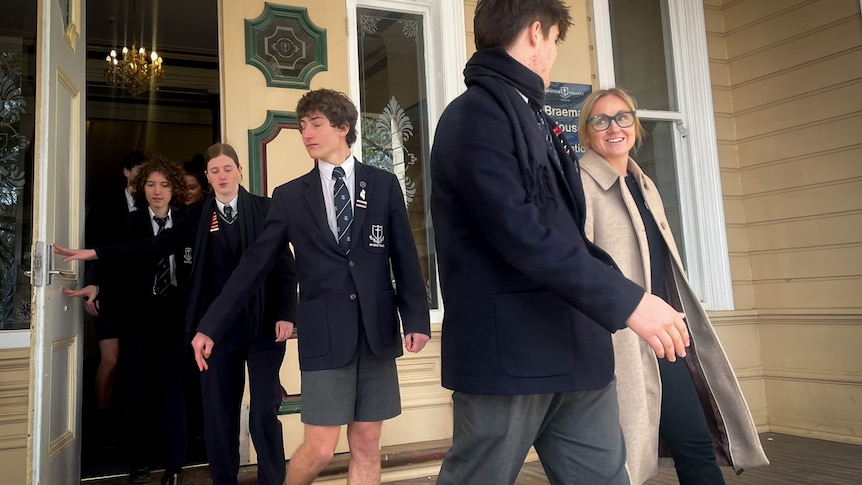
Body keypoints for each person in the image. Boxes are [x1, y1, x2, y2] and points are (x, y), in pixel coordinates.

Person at [428, 1, 690, 484]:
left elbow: (565, 234)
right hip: (511, 362)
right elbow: (520, 232)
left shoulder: (537, 116)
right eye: (554, 40)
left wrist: (622, 297)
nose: (553, 52)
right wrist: (627, 300)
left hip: (579, 354)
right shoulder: (473, 117)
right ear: (535, 33)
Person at [191, 88, 431, 485]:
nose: (306, 134)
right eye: (302, 126)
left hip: (377, 332)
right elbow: (252, 267)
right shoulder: (289, 197)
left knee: (368, 443)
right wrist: (210, 325)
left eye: (315, 124)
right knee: (320, 447)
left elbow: (404, 257)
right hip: (325, 336)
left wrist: (416, 318)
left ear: (343, 127)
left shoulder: (385, 185)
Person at [59, 144, 298, 485]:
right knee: (219, 416)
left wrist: (285, 313)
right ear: (207, 177)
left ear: (240, 170)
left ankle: (273, 481)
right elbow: (152, 246)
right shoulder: (197, 216)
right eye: (214, 170)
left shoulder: (266, 209)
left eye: (227, 168)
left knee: (262, 412)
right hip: (216, 332)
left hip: (263, 328)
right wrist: (96, 253)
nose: (222, 175)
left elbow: (285, 267)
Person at [577, 88, 769, 484]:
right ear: (586, 131)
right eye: (601, 120)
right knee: (622, 459)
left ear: (636, 125)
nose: (613, 128)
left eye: (622, 117)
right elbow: (579, 267)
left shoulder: (645, 185)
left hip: (666, 335)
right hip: (618, 341)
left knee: (694, 441)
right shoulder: (581, 186)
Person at [65, 159, 194, 485]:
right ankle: (139, 464)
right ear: (141, 188)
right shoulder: (129, 222)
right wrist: (96, 283)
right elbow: (115, 257)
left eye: (164, 184)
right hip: (138, 319)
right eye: (150, 184)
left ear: (174, 188)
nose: (157, 191)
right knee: (138, 393)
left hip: (176, 321)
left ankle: (175, 466)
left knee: (171, 392)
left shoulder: (188, 222)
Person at [82, 150, 144, 421]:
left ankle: (130, 420)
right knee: (110, 359)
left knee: (134, 361)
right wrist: (93, 283)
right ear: (126, 171)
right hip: (108, 288)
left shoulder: (151, 204)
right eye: (138, 170)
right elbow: (94, 247)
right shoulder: (105, 202)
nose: (142, 177)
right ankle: (100, 420)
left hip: (139, 295)